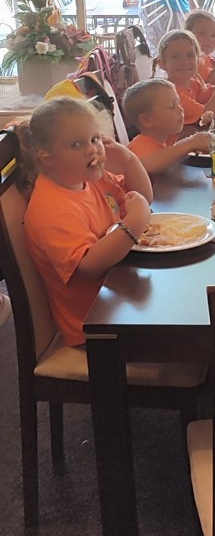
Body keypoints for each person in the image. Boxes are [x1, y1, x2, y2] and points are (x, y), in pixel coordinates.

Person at [22, 97, 152, 348]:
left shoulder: (90, 178)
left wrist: (128, 160)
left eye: (94, 139)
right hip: (95, 328)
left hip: (119, 297)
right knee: (200, 331)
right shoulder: (52, 208)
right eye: (76, 144)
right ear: (46, 156)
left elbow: (142, 198)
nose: (93, 150)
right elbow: (89, 266)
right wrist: (135, 222)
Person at [124, 77, 211, 175]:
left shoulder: (164, 137)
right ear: (147, 120)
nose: (180, 110)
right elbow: (147, 165)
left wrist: (195, 141)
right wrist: (190, 143)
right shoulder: (140, 145)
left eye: (179, 103)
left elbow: (171, 150)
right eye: (171, 106)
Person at [155, 29, 215, 125]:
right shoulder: (171, 95)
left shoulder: (194, 83)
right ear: (162, 64)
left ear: (198, 60)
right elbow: (207, 118)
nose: (184, 62)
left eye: (190, 55)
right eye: (175, 57)